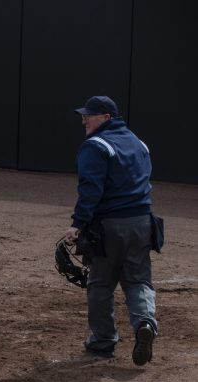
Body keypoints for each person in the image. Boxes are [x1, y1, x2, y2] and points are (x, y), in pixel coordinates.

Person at [65, 95, 158, 365]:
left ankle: (103, 341)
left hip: (110, 225)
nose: (83, 120)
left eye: (89, 115)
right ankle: (145, 324)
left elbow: (90, 189)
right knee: (138, 280)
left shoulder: (96, 146)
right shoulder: (138, 142)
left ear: (106, 117)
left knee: (101, 283)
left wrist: (78, 224)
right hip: (142, 222)